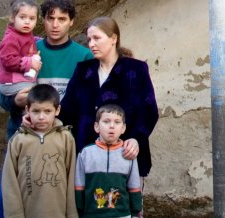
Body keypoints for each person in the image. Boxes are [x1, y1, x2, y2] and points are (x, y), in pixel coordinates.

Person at [0, 0, 94, 217]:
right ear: (43, 20)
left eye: (62, 19)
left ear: (72, 21)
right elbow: (0, 92)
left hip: (64, 142)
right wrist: (15, 101)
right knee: (11, 197)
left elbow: (88, 104)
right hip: (24, 137)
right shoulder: (26, 49)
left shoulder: (84, 57)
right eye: (50, 18)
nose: (55, 25)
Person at [60, 16, 159, 214]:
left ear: (113, 38)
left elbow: (149, 110)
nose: (91, 44)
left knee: (127, 211)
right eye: (89, 40)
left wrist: (137, 140)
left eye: (97, 38)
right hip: (88, 157)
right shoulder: (83, 70)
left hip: (126, 156)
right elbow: (66, 111)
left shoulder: (136, 69)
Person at [1, 83, 79, 218]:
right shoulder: (18, 140)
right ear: (27, 110)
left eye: (47, 111)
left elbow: (72, 177)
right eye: (36, 111)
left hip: (59, 211)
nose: (41, 117)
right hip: (28, 211)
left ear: (57, 110)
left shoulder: (66, 138)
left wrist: (72, 214)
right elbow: (10, 183)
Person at [75, 104, 143, 217]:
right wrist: (79, 210)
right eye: (106, 121)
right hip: (91, 214)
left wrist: (135, 212)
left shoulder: (128, 153)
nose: (112, 126)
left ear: (123, 128)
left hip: (122, 214)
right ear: (96, 127)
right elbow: (79, 184)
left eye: (117, 122)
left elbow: (134, 185)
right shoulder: (85, 153)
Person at [0, 0, 41, 117]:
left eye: (32, 19)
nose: (27, 22)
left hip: (19, 80)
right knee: (37, 97)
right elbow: (7, 60)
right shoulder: (11, 38)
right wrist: (29, 63)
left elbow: (27, 42)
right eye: (22, 17)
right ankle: (28, 120)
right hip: (11, 82)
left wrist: (37, 41)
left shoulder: (25, 34)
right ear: (12, 18)